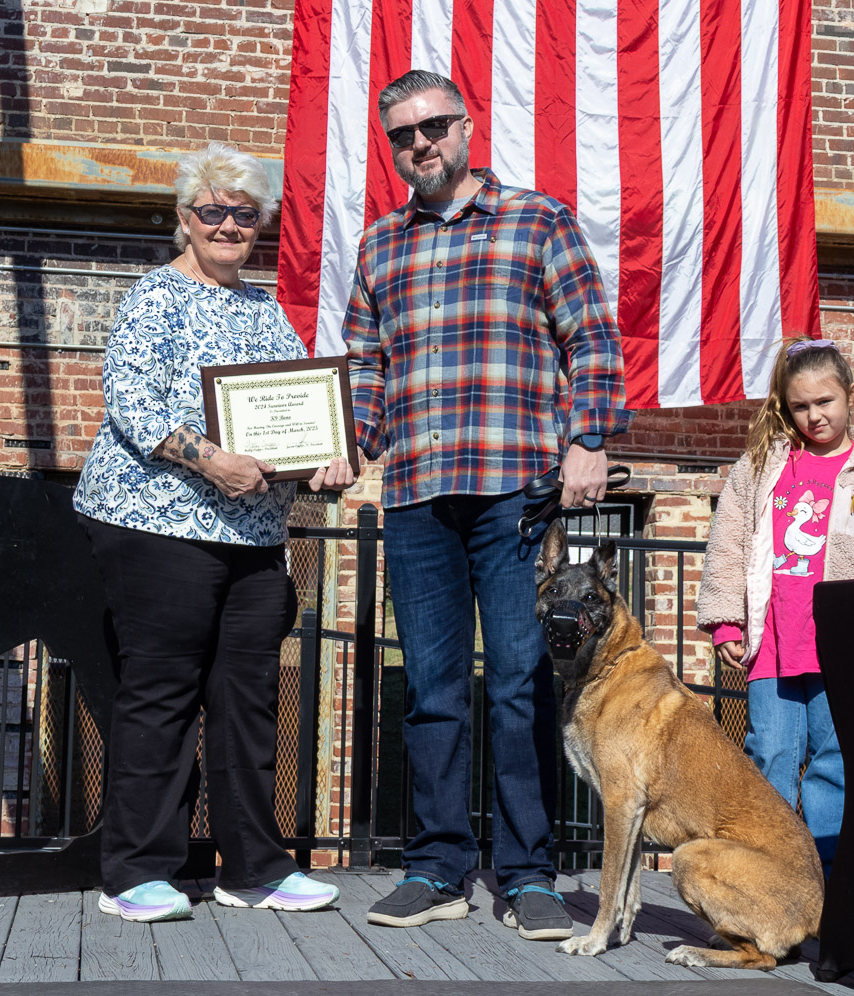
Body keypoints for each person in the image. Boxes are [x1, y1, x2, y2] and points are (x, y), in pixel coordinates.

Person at [331, 69, 633, 940]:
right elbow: (365, 366)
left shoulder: (538, 221)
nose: (419, 144)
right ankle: (437, 868)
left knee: (517, 685)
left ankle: (530, 875)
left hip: (515, 494)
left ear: (465, 127)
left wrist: (588, 440)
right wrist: (346, 444)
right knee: (431, 690)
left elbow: (591, 338)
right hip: (418, 494)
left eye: (433, 126)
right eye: (402, 135)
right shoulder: (379, 245)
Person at [73, 142, 353, 923]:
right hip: (157, 525)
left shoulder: (266, 311)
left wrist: (326, 459)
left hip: (254, 538)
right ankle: (136, 873)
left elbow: (304, 410)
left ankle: (255, 869)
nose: (228, 225)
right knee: (161, 696)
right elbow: (133, 404)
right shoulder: (154, 296)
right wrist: (211, 460)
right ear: (185, 218)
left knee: (248, 702)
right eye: (213, 211)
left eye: (244, 214)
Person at [696, 337, 854, 874]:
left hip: (841, 649)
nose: (814, 416)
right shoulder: (760, 468)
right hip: (772, 643)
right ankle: (766, 875)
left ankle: (827, 881)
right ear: (784, 406)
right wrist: (726, 622)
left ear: (850, 395)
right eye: (800, 406)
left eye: (825, 402)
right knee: (769, 755)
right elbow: (728, 544)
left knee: (834, 762)